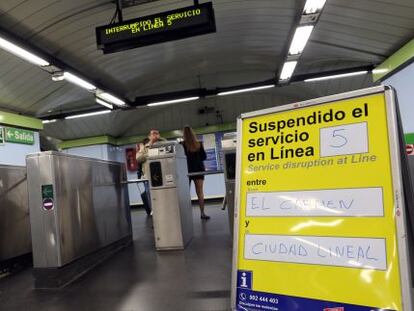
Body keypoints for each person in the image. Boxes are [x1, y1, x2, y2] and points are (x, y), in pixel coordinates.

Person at [182, 126, 210, 220]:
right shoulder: (199, 144)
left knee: (186, 193)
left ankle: (186, 215)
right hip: (198, 169)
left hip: (187, 170)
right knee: (200, 192)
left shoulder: (182, 145)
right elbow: (204, 157)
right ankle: (202, 213)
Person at [136, 130, 165, 216]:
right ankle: (153, 211)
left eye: (156, 133)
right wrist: (149, 152)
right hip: (148, 175)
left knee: (162, 192)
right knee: (149, 193)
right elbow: (138, 158)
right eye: (153, 134)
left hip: (162, 173)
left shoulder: (163, 143)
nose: (155, 135)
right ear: (149, 137)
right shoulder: (145, 147)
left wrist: (160, 138)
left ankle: (164, 209)